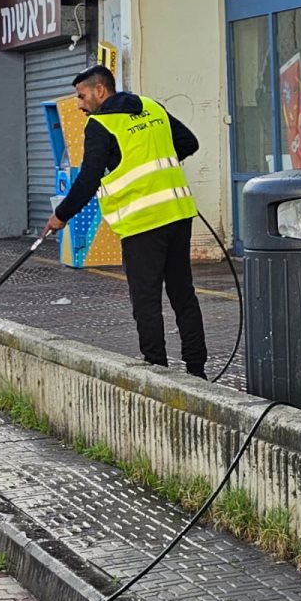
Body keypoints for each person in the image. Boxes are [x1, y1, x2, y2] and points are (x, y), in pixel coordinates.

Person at [44, 65, 208, 379]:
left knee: (146, 300)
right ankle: (196, 370)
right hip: (177, 214)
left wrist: (60, 216)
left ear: (100, 91)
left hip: (142, 222)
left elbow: (88, 180)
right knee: (182, 294)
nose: (79, 104)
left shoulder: (101, 125)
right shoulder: (151, 107)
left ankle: (157, 370)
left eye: (81, 96)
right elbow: (189, 143)